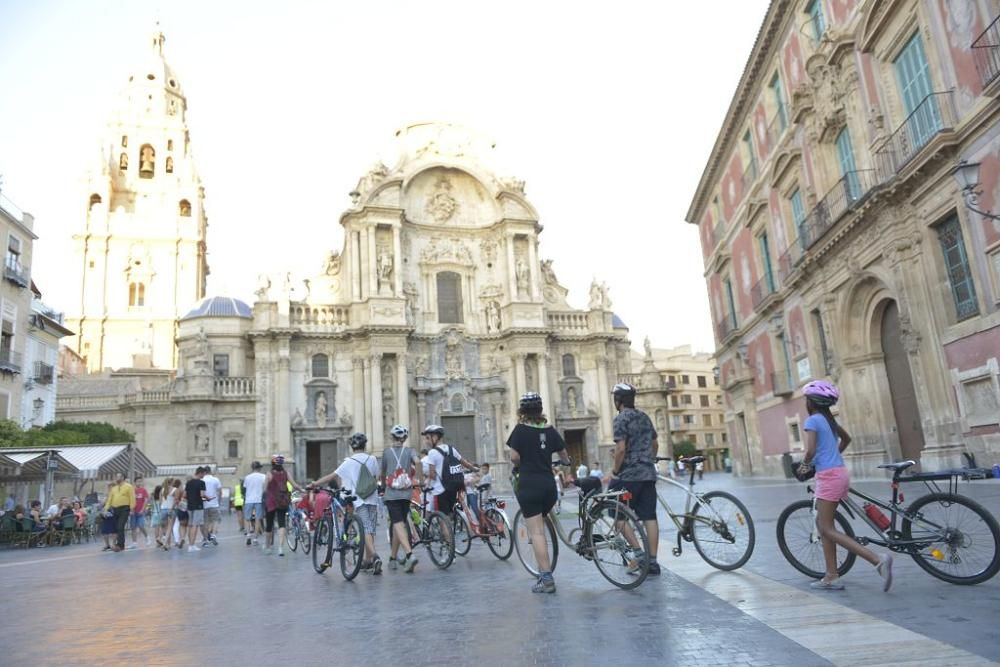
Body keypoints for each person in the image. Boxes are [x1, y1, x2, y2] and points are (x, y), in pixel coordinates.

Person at [796, 380, 893, 591]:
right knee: (826, 526)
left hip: (829, 477)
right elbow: (846, 439)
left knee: (826, 528)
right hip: (840, 472)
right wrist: (832, 456)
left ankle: (877, 559)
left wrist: (804, 466)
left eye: (806, 399)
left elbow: (811, 450)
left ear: (811, 402)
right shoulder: (829, 421)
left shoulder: (813, 420)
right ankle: (832, 576)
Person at [507, 392, 569, 593]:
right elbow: (563, 453)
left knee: (537, 532)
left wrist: (523, 460)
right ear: (540, 410)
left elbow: (514, 456)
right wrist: (566, 464)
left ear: (522, 411)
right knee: (541, 525)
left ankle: (546, 578)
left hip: (529, 484)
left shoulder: (520, 430)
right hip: (549, 486)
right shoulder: (550, 430)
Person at [610, 382, 661, 575]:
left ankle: (639, 555)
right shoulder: (644, 417)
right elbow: (655, 443)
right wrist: (650, 459)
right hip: (648, 474)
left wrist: (615, 471)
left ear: (618, 400)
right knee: (650, 516)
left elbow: (620, 449)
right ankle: (653, 561)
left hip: (629, 476)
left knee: (617, 514)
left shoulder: (621, 419)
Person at [314, 433, 382, 572]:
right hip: (373, 498)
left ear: (352, 447)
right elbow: (376, 477)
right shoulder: (373, 459)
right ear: (365, 445)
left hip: (359, 499)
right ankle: (367, 560)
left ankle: (375, 557)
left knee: (366, 528)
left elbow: (332, 476)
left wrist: (316, 483)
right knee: (370, 529)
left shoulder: (348, 462)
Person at [379, 424, 422, 573]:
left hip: (392, 494)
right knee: (400, 525)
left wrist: (382, 486)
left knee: (397, 524)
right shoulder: (410, 451)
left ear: (392, 437)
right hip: (406, 493)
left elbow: (383, 472)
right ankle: (392, 558)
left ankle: (410, 554)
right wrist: (419, 479)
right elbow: (418, 462)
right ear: (404, 438)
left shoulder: (386, 452)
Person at [422, 424, 477, 542]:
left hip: (440, 490)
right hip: (453, 488)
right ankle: (456, 530)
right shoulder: (451, 448)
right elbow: (464, 462)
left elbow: (431, 474)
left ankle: (449, 547)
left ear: (435, 437)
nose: (426, 441)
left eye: (427, 438)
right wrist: (475, 469)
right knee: (448, 514)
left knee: (442, 519)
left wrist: (426, 484)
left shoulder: (432, 453)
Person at [263, 454, 304, 556]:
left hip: (271, 502)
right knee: (282, 524)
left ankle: (268, 546)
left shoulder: (269, 474)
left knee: (269, 525)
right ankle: (281, 548)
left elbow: (264, 488)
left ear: (272, 463)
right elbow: (294, 485)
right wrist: (302, 489)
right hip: (282, 501)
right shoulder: (286, 473)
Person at [104, 473, 135, 552]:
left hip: (125, 508)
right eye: (116, 476)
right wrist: (105, 509)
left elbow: (132, 498)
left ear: (123, 478)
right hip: (115, 509)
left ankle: (120, 545)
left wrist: (132, 509)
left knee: (120, 526)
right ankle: (119, 544)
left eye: (118, 476)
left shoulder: (128, 486)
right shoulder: (114, 488)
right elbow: (109, 499)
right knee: (117, 527)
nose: (116, 478)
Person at [184, 468, 213, 553]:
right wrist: (208, 498)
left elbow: (185, 495)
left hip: (190, 506)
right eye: (203, 474)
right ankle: (192, 545)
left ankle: (190, 544)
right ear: (200, 473)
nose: (204, 476)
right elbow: (202, 495)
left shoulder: (188, 483)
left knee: (190, 525)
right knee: (195, 525)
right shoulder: (201, 483)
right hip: (198, 505)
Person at [243, 461, 266, 546]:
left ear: (252, 468)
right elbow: (265, 488)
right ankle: (255, 538)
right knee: (258, 519)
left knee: (247, 518)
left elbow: (245, 488)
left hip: (249, 499)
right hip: (259, 500)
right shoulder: (263, 476)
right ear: (259, 468)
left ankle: (248, 535)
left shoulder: (247, 477)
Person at [202, 466, 222, 547]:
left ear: (204, 472)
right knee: (215, 520)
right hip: (214, 503)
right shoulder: (216, 479)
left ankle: (206, 539)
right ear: (210, 471)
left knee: (206, 522)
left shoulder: (202, 480)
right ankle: (213, 535)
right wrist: (219, 501)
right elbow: (220, 492)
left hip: (204, 504)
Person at [130, 476, 150, 548]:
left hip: (141, 511)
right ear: (135, 482)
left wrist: (142, 509)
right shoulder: (132, 490)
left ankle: (147, 537)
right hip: (133, 511)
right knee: (133, 527)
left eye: (140, 481)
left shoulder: (143, 490)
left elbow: (146, 500)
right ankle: (134, 543)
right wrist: (131, 510)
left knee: (141, 526)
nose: (139, 483)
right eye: (138, 481)